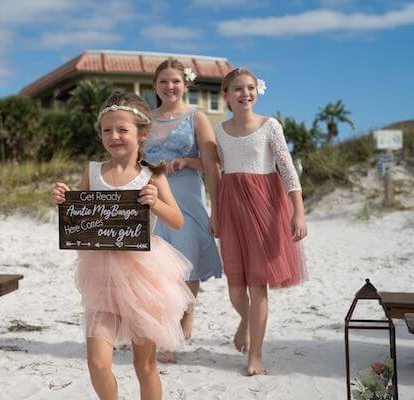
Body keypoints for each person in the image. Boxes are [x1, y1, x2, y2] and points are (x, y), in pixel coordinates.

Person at [52, 92, 195, 399]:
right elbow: (80, 216)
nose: (113, 136)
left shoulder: (152, 174)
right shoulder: (93, 171)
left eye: (122, 130)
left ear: (142, 134)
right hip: (101, 276)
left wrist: (155, 203)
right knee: (98, 363)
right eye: (106, 130)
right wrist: (64, 202)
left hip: (144, 276)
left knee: (144, 366)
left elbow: (177, 221)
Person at [215, 67, 308, 375]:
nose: (245, 93)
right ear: (226, 95)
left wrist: (298, 211)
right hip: (231, 207)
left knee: (258, 285)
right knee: (235, 287)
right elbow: (214, 166)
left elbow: (287, 168)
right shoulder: (219, 130)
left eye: (250, 87)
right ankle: (244, 319)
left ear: (257, 91)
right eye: (238, 89)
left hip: (265, 207)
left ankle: (255, 355)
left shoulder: (270, 126)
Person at [144, 58, 223, 362]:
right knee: (157, 267)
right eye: (163, 81)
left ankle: (183, 320)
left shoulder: (197, 117)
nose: (169, 86)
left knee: (187, 261)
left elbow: (213, 165)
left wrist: (189, 162)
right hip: (153, 196)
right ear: (156, 86)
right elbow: (134, 161)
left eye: (175, 81)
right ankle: (167, 329)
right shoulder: (145, 119)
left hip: (188, 194)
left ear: (185, 84)